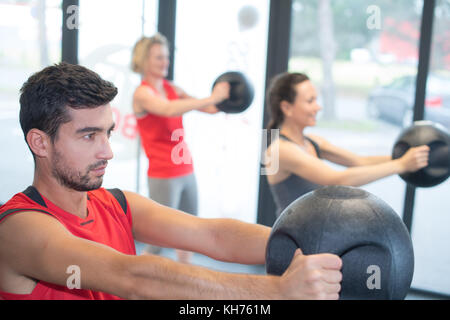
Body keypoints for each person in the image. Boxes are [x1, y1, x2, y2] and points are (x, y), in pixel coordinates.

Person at [0, 63, 342, 300]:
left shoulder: (118, 203)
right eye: (88, 136)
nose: (107, 152)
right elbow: (134, 277)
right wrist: (278, 292)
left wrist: (311, 248)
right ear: (40, 142)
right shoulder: (20, 226)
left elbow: (212, 235)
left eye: (108, 133)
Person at [264, 72, 430, 217]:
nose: (318, 107)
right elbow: (337, 180)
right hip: (292, 242)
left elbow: (359, 161)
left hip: (316, 234)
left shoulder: (313, 141)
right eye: (310, 101)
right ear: (286, 107)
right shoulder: (279, 150)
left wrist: (408, 157)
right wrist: (402, 164)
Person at [131, 34, 230, 263]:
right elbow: (168, 109)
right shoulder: (142, 93)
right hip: (163, 174)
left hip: (186, 169)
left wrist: (227, 97)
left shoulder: (172, 87)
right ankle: (133, 286)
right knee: (158, 241)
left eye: (166, 57)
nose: (165, 62)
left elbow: (210, 108)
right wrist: (210, 98)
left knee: (191, 233)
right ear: (144, 60)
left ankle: (186, 277)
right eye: (158, 58)